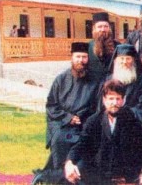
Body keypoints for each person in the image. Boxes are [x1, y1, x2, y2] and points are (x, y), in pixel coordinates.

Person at [32, 42, 99, 184]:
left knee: (83, 142)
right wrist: (68, 118)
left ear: (88, 59)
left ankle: (70, 174)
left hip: (83, 124)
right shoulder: (60, 79)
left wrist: (83, 120)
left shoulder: (94, 81)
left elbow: (96, 107)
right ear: (72, 58)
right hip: (61, 123)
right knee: (62, 138)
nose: (81, 60)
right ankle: (58, 176)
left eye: (84, 57)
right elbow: (51, 105)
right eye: (78, 57)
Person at [64, 79, 142, 184]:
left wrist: (130, 177)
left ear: (123, 100)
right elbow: (81, 144)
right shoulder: (93, 120)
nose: (114, 103)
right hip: (99, 171)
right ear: (104, 100)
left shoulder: (132, 121)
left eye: (118, 99)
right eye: (111, 98)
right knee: (74, 173)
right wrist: (69, 162)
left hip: (123, 174)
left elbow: (138, 152)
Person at [102, 44, 142, 122]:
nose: (124, 62)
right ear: (115, 61)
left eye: (128, 59)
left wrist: (124, 114)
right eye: (121, 59)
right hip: (110, 117)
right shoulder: (108, 79)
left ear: (133, 60)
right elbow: (102, 103)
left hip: (133, 118)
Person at [87, 12, 119, 84]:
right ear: (94, 29)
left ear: (109, 28)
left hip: (111, 86)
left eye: (105, 26)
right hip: (92, 86)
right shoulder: (88, 47)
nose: (103, 29)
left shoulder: (118, 46)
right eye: (99, 27)